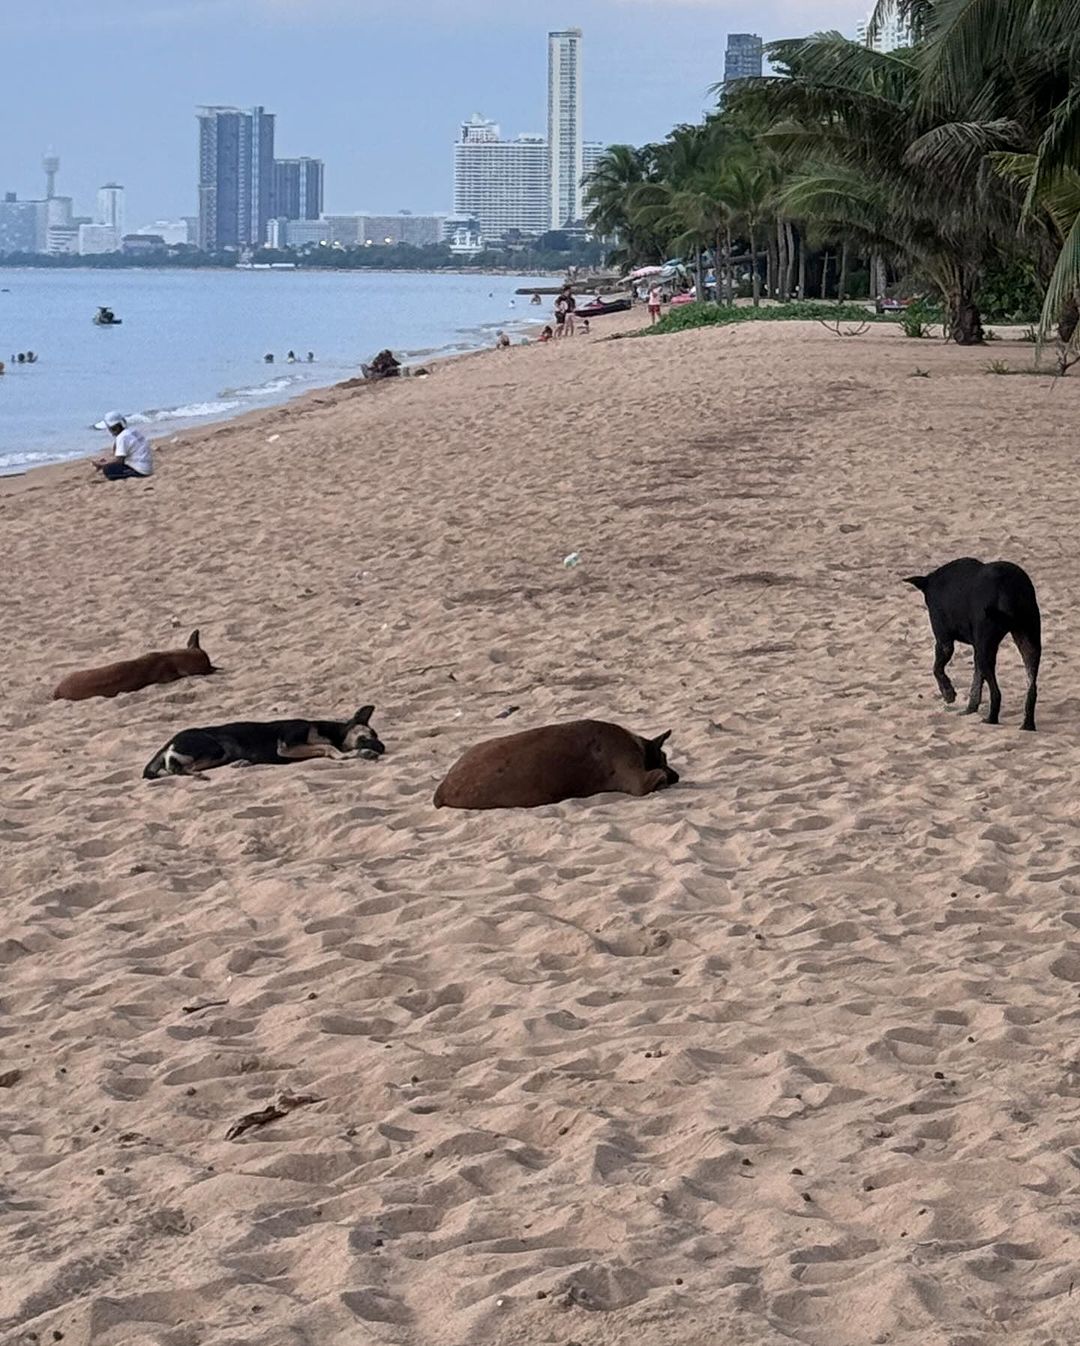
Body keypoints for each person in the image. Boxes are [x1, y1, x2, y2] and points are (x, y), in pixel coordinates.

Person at [92, 412, 153, 481]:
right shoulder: (132, 431)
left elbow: (120, 460)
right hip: (147, 466)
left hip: (140, 470)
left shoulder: (122, 437)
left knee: (108, 470)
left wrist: (103, 465)